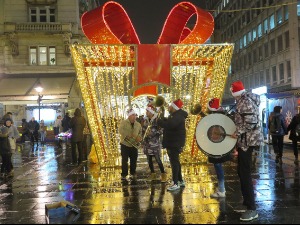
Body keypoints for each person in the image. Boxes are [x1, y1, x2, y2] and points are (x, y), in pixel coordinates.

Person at [230, 80, 262, 222]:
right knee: (242, 172)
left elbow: (251, 121)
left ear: (235, 92)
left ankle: (252, 209)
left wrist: (238, 132)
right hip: (245, 141)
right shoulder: (243, 100)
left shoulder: (245, 101)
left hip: (248, 141)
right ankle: (247, 203)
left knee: (245, 172)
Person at [157, 99, 188, 191]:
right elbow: (171, 122)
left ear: (174, 108)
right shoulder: (176, 115)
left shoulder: (178, 116)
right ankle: (180, 180)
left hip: (174, 143)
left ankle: (175, 183)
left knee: (174, 163)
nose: (169, 107)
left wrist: (159, 121)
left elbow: (170, 125)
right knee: (176, 162)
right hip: (173, 142)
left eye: (170, 106)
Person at [206, 98, 232, 198]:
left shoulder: (215, 117)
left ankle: (221, 190)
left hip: (216, 144)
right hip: (220, 144)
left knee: (218, 166)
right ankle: (221, 187)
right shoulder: (222, 115)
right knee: (218, 166)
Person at [142, 104, 167, 183]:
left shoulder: (157, 120)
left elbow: (162, 130)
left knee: (158, 159)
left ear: (151, 112)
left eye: (147, 111)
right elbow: (143, 130)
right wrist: (143, 135)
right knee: (149, 160)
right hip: (147, 144)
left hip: (155, 144)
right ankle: (153, 174)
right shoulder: (146, 120)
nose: (146, 112)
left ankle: (163, 174)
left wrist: (154, 132)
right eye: (146, 111)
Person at [119, 108, 142, 180]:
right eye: (132, 115)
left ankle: (133, 172)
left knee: (133, 160)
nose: (134, 117)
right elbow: (120, 130)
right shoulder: (123, 123)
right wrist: (128, 135)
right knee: (124, 160)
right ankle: (124, 174)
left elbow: (140, 132)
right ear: (129, 116)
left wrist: (139, 137)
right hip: (125, 144)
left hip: (134, 145)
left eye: (135, 115)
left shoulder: (138, 124)